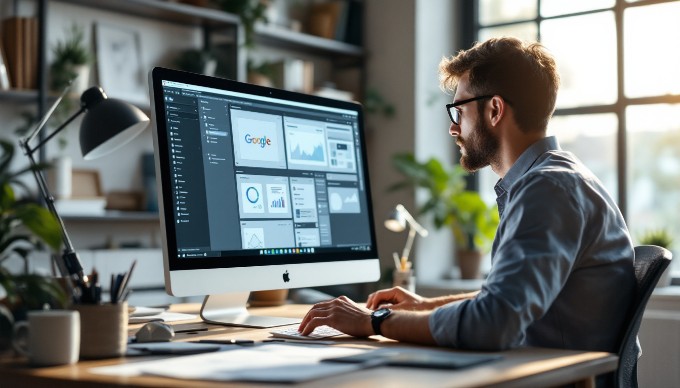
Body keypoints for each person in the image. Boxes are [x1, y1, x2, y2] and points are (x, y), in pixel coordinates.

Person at [298, 37, 636, 355]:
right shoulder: (556, 180)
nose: (453, 127)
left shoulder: (548, 189)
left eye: (459, 111)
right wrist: (424, 306)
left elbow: (494, 322)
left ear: (494, 110)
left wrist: (372, 322)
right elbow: (506, 299)